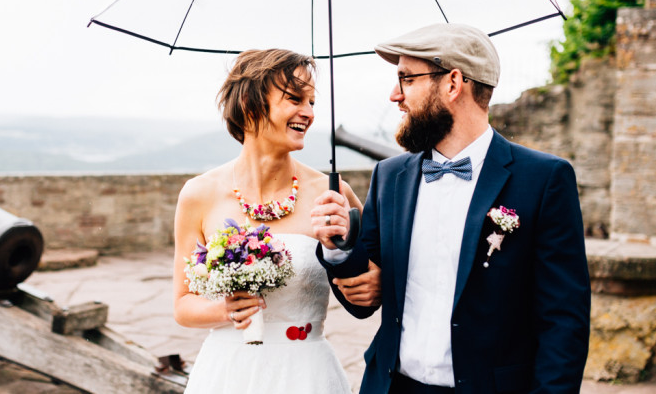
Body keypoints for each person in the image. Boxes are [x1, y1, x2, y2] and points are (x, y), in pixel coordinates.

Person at [311, 24, 591, 393]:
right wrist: (338, 246)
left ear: (453, 83)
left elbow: (564, 320)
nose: (395, 95)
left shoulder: (543, 179)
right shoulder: (390, 176)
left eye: (407, 78)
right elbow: (365, 299)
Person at [173, 48, 381, 394]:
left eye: (312, 101)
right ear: (251, 105)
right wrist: (226, 310)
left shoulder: (333, 193)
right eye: (295, 99)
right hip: (228, 373)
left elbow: (369, 286)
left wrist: (368, 275)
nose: (309, 113)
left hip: (307, 374)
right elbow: (182, 304)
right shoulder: (199, 194)